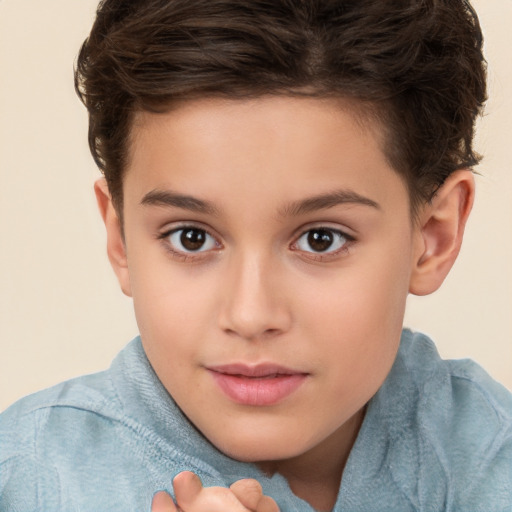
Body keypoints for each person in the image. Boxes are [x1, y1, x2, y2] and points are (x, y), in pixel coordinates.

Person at [1, 0, 511, 510]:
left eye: (321, 239)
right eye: (191, 238)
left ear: (433, 237)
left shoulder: (489, 454)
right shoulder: (27, 478)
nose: (250, 315)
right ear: (121, 240)